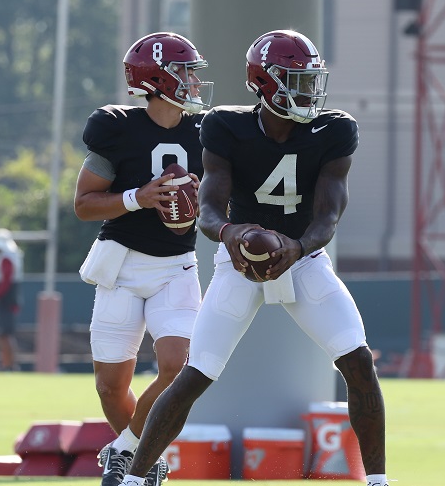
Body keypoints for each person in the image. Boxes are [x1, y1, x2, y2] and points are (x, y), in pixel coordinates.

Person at [116, 29, 389, 486]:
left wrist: (296, 248)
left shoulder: (334, 129)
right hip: (239, 262)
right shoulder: (226, 125)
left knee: (358, 361)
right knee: (196, 373)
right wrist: (232, 233)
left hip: (303, 259)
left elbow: (328, 215)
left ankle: (378, 481)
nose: (308, 91)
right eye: (296, 80)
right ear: (264, 82)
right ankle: (135, 478)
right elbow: (207, 210)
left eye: (310, 80)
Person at [73, 32, 212, 486]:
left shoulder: (207, 131)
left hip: (177, 265)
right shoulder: (118, 128)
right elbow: (84, 203)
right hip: (122, 265)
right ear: (156, 79)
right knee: (110, 388)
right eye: (185, 72)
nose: (194, 82)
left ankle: (126, 452)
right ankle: (146, 465)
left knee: (178, 365)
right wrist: (139, 197)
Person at [0, 228, 23, 371]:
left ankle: (9, 364)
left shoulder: (6, 257)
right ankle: (8, 363)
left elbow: (6, 279)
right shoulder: (12, 255)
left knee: (4, 333)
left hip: (6, 298)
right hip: (9, 297)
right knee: (4, 333)